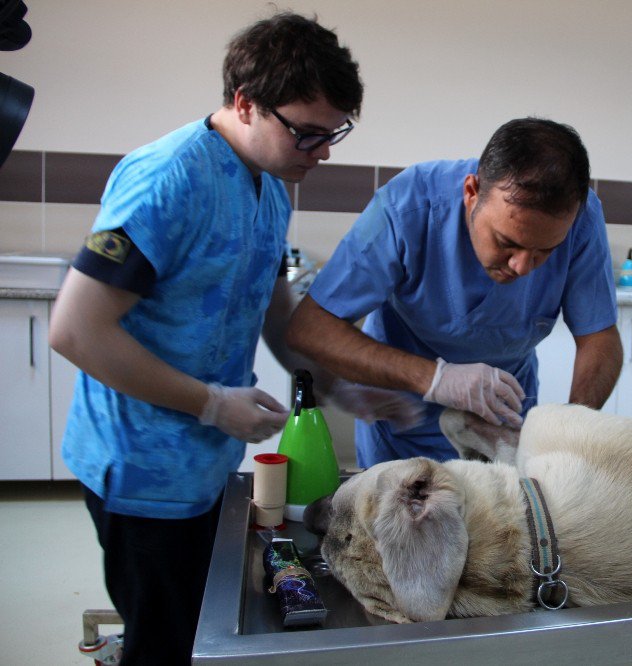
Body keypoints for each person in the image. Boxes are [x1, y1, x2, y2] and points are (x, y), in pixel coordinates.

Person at [49, 13, 419, 664]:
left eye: (333, 133)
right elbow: (77, 330)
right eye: (308, 134)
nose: (324, 152)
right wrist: (211, 403)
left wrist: (339, 388)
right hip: (144, 472)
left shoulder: (272, 186)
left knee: (203, 625)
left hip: (207, 466)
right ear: (246, 104)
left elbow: (273, 310)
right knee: (163, 643)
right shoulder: (169, 180)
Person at [287, 117, 624, 467]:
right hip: (405, 422)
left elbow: (598, 337)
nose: (523, 267)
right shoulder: (407, 207)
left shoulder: (581, 217)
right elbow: (310, 328)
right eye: (507, 243)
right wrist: (435, 378)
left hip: (503, 426)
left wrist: (571, 429)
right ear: (471, 193)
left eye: (546, 251)